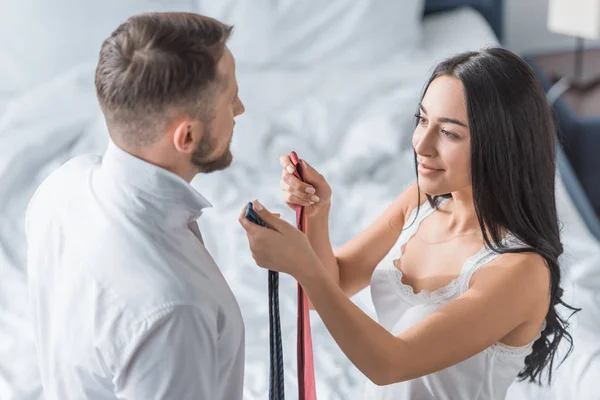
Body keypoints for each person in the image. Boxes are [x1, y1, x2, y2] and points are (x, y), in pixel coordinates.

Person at [239, 48, 579, 399]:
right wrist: (317, 213)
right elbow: (333, 284)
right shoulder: (419, 204)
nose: (421, 143)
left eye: (448, 133)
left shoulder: (520, 271)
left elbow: (391, 363)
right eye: (422, 119)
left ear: (501, 145)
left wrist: (302, 263)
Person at [26, 12, 245, 399]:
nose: (240, 109)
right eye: (231, 98)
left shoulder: (60, 187)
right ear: (187, 135)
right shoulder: (174, 310)